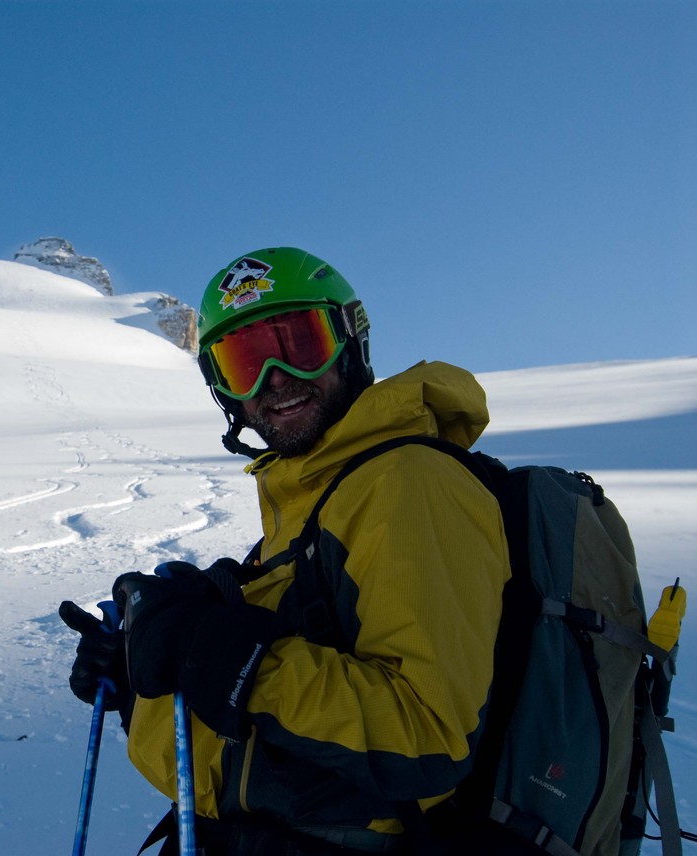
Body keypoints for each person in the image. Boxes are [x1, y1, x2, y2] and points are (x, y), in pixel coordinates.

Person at [60, 247, 511, 855]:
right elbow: (277, 704)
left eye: (298, 343)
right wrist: (144, 672)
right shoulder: (317, 495)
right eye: (242, 361)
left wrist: (219, 653)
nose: (273, 378)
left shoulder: (409, 484)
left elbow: (426, 735)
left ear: (351, 342)